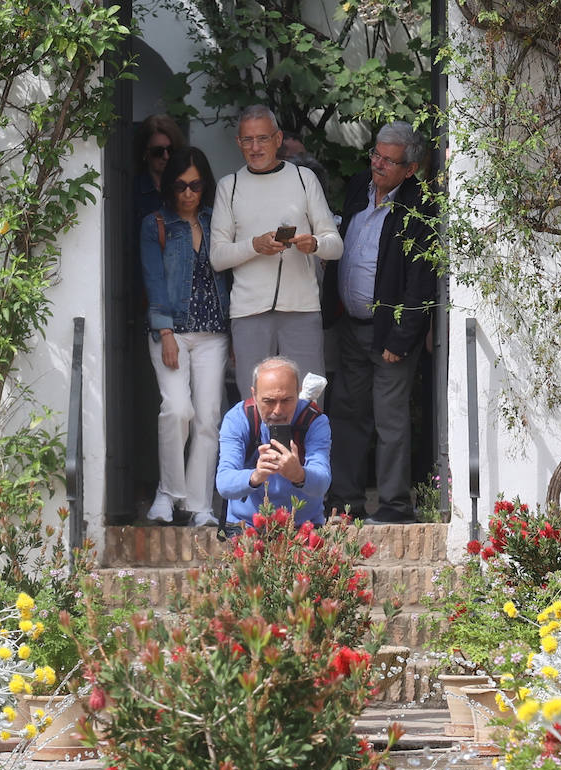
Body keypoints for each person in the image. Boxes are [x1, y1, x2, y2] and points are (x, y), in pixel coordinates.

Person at [323, 121, 435, 523]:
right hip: (350, 327)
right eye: (375, 155)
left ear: (410, 168)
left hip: (390, 333)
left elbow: (422, 278)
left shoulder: (420, 206)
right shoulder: (358, 188)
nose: (378, 164)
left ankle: (393, 507)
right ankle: (345, 502)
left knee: (390, 422)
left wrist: (403, 335)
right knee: (347, 416)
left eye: (389, 160)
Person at [210, 106, 343, 399]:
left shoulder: (303, 178)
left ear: (278, 138)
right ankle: (262, 448)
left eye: (263, 138)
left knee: (308, 401)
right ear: (238, 143)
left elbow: (335, 245)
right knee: (256, 405)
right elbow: (217, 257)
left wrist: (315, 244)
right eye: (247, 140)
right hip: (248, 312)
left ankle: (305, 449)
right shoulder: (228, 187)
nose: (255, 147)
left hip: (301, 309)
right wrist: (254, 246)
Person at [139, 147, 230, 527]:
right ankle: (168, 493)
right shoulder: (156, 223)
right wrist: (165, 330)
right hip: (172, 330)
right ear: (169, 185)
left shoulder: (217, 221)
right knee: (178, 409)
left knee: (209, 418)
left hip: (214, 332)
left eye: (195, 185)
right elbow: (153, 280)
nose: (188, 193)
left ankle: (199, 505)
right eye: (180, 185)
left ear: (204, 185)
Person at [216, 356, 330, 527]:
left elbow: (322, 482)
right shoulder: (238, 418)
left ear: (298, 393)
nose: (278, 411)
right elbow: (224, 483)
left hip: (302, 526)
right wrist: (256, 476)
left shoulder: (314, 420)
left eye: (286, 400)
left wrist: (299, 474)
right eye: (269, 401)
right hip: (248, 526)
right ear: (254, 395)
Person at [133, 114, 187, 230]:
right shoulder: (132, 191)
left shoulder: (190, 187)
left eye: (171, 150)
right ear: (145, 153)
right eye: (158, 151)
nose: (166, 156)